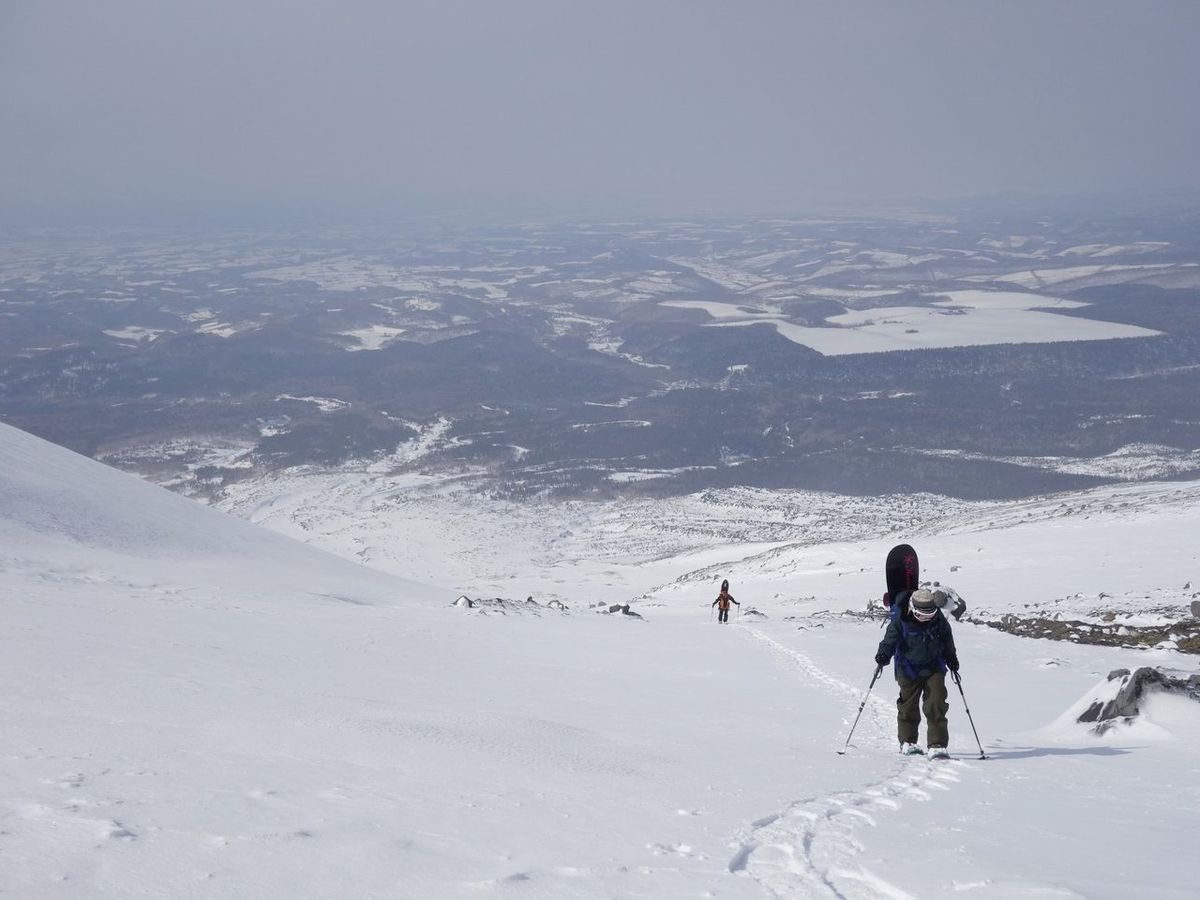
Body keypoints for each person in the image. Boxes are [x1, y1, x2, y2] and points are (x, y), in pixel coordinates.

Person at [875, 588, 959, 757]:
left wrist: (951, 658)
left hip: (934, 666)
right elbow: (889, 639)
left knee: (936, 702)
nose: (927, 619)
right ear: (913, 609)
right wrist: (884, 654)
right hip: (908, 668)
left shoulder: (938, 619)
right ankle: (908, 742)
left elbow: (946, 639)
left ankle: (937, 744)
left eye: (930, 615)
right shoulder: (900, 619)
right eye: (922, 615)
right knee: (908, 706)